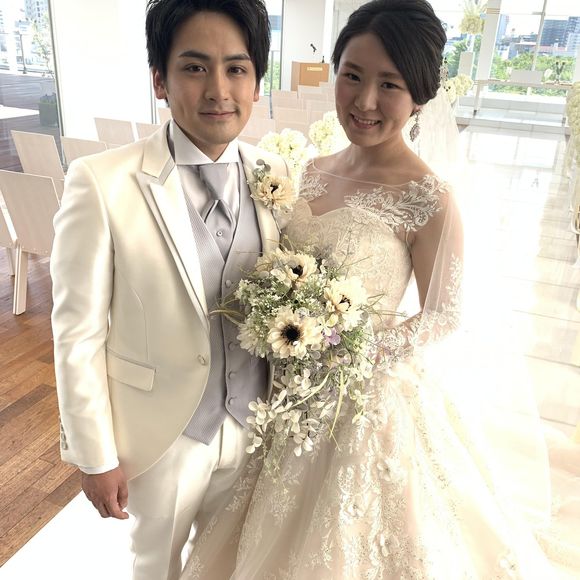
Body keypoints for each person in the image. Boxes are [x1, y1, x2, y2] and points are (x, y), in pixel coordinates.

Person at [179, 0, 580, 578]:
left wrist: (351, 350)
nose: (364, 101)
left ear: (419, 96)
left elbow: (443, 314)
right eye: (353, 76)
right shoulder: (311, 169)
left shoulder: (429, 197)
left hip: (365, 397)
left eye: (389, 84)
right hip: (284, 391)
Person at [50, 0, 289, 578]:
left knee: (232, 564)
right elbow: (77, 333)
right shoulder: (101, 181)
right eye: (194, 67)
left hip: (256, 424)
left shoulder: (277, 174)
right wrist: (94, 454)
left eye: (236, 68)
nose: (218, 90)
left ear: (257, 83)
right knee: (155, 567)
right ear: (159, 80)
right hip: (163, 435)